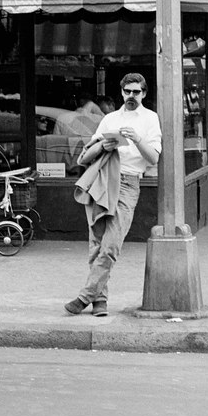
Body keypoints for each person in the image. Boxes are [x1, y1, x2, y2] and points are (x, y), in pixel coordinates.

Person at [64, 73, 161, 318]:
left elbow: (153, 158)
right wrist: (104, 145)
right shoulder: (109, 119)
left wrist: (137, 139)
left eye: (136, 92)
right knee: (96, 245)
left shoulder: (151, 119)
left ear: (144, 93)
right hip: (104, 180)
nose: (131, 96)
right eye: (127, 91)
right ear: (121, 92)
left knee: (111, 245)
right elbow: (86, 154)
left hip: (129, 183)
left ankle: (84, 297)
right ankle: (100, 302)